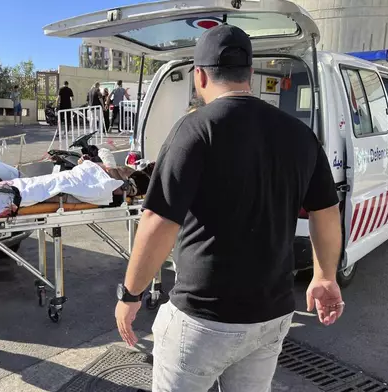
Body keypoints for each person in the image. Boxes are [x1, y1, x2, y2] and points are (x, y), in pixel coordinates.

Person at [114, 25, 345, 391]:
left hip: (203, 319)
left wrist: (130, 294)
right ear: (250, 74)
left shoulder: (194, 130)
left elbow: (159, 221)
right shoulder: (300, 135)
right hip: (271, 317)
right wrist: (325, 276)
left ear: (200, 75)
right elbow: (326, 211)